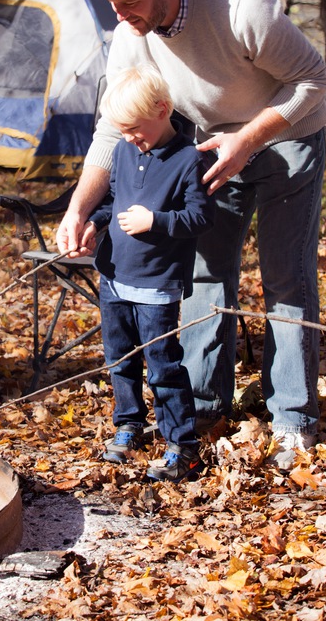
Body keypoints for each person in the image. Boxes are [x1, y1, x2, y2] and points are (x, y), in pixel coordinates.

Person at [57, 0, 326, 472]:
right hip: (209, 148)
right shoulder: (132, 34)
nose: (120, 16)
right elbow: (112, 132)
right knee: (205, 272)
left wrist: (249, 139)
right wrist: (78, 208)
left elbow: (313, 80)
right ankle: (203, 407)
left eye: (129, 3)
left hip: (288, 137)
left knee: (285, 278)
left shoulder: (245, 11)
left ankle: (293, 419)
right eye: (111, 5)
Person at [79, 65, 215, 483]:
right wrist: (94, 223)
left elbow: (199, 217)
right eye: (121, 130)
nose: (128, 137)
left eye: (134, 128)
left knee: (163, 365)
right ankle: (129, 424)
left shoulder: (189, 159)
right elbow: (117, 199)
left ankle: (183, 447)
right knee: (119, 358)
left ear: (162, 110)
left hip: (156, 282)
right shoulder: (124, 149)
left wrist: (154, 221)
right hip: (115, 275)